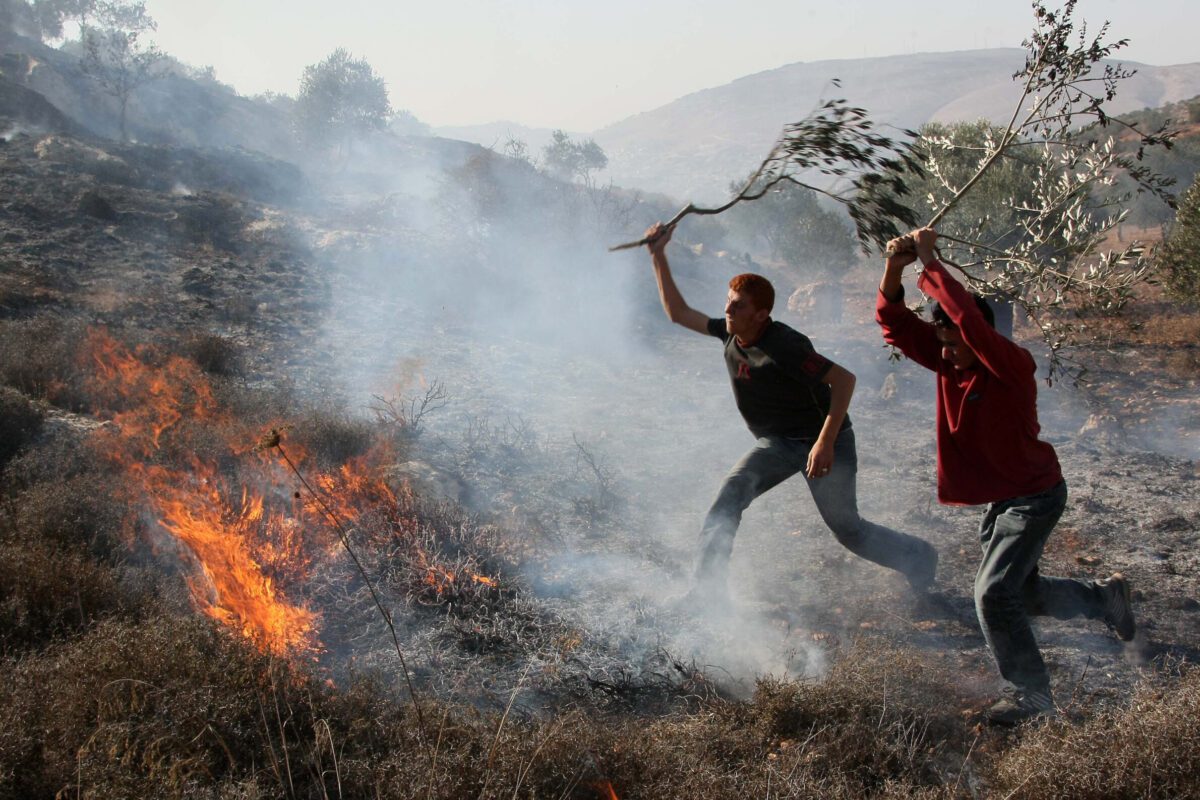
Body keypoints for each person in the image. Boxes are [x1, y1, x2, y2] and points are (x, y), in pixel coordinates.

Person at [875, 226, 1137, 726]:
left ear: (983, 339)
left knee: (993, 594)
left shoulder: (1012, 365)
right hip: (1004, 500)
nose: (947, 355)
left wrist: (930, 262)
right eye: (944, 345)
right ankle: (1105, 598)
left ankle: (1032, 696)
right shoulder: (952, 360)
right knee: (1022, 593)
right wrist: (894, 268)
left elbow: (969, 323)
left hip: (1034, 497)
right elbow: (895, 325)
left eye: (955, 344)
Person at [644, 222, 939, 609]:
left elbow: (844, 381)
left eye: (738, 306)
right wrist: (658, 255)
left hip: (824, 440)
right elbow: (678, 312)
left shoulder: (785, 344)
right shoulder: (732, 333)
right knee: (730, 497)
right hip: (780, 444)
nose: (728, 310)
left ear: (761, 314)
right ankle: (706, 593)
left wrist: (825, 442)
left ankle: (918, 557)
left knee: (848, 529)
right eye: (729, 301)